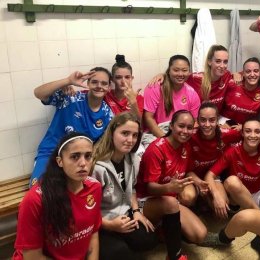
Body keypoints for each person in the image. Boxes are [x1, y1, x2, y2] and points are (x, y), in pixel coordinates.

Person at [14, 133, 102, 260]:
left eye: (88, 156)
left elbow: (93, 233)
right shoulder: (35, 200)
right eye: (75, 156)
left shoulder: (95, 188)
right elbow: (32, 256)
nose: (83, 163)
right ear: (60, 161)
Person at [136, 110, 207, 260]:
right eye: (181, 126)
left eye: (189, 127)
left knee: (200, 235)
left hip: (170, 200)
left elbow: (188, 171)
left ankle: (165, 227)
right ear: (171, 126)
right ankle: (174, 255)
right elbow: (150, 187)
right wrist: (169, 188)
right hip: (146, 201)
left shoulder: (186, 146)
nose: (185, 131)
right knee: (171, 202)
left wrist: (198, 182)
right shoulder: (156, 149)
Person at [31, 68, 113, 186]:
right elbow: (38, 93)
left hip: (79, 160)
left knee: (75, 193)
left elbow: (103, 145)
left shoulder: (108, 114)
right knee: (39, 192)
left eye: (104, 83)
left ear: (109, 87)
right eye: (94, 82)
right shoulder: (70, 98)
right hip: (51, 154)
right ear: (88, 83)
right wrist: (68, 81)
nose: (99, 86)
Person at [91, 112, 158, 259]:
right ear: (112, 133)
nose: (130, 140)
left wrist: (136, 211)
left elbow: (131, 189)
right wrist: (109, 225)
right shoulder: (96, 167)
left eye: (135, 135)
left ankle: (121, 241)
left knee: (149, 239)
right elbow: (87, 209)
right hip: (101, 222)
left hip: (124, 215)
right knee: (120, 253)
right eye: (125, 133)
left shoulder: (133, 159)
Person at [205, 118, 260, 218]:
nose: (252, 135)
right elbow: (209, 175)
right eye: (248, 131)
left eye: (257, 132)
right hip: (237, 198)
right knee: (231, 181)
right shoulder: (232, 151)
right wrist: (217, 196)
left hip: (258, 196)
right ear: (242, 134)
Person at [140, 55, 200, 152]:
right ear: (169, 71)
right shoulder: (155, 87)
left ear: (189, 72)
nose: (180, 74)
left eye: (184, 70)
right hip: (156, 133)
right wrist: (166, 140)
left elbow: (195, 121)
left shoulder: (192, 93)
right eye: (176, 70)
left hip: (181, 132)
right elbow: (148, 118)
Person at [220, 57, 260, 129]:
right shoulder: (232, 84)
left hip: (248, 128)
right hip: (225, 122)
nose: (252, 74)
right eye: (248, 71)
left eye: (256, 71)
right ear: (243, 73)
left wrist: (247, 126)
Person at [105, 54, 144, 119]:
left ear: (131, 78)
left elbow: (140, 124)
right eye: (118, 77)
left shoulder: (139, 99)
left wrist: (133, 103)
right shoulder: (106, 96)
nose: (123, 81)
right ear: (112, 79)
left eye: (127, 77)